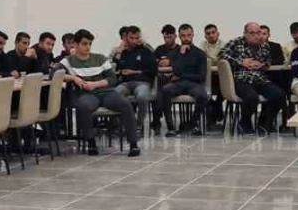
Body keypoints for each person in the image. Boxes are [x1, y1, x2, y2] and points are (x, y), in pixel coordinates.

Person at [59, 28, 139, 157]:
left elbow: (112, 79)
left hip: (106, 92)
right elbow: (54, 74)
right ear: (76, 44)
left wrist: (94, 84)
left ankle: (133, 144)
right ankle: (91, 142)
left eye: (90, 44)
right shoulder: (68, 61)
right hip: (86, 94)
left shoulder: (100, 58)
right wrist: (73, 78)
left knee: (125, 104)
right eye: (84, 44)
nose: (88, 47)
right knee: (83, 106)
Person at [222, 22, 286, 134]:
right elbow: (222, 55)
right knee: (252, 97)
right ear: (245, 34)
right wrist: (241, 61)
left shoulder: (264, 45)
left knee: (279, 95)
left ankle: (264, 122)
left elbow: (268, 60)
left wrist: (262, 64)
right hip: (241, 79)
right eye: (252, 33)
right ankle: (244, 123)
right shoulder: (236, 42)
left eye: (258, 33)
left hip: (259, 79)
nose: (256, 36)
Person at [158, 23, 209, 136]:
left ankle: (193, 124)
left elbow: (201, 76)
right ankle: (171, 127)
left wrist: (182, 76)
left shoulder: (200, 54)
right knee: (165, 90)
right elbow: (176, 71)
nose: (186, 38)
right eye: (183, 36)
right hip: (178, 83)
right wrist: (181, 54)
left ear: (193, 35)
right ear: (179, 36)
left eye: (188, 35)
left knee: (203, 96)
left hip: (194, 84)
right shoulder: (174, 53)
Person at [115, 25, 158, 134]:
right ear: (126, 38)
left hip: (142, 82)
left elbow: (153, 70)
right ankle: (125, 123)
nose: (134, 41)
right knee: (114, 95)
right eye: (131, 38)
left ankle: (138, 125)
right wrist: (119, 52)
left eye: (137, 38)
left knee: (142, 97)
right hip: (125, 83)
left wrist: (135, 72)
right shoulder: (123, 52)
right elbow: (116, 67)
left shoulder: (146, 51)